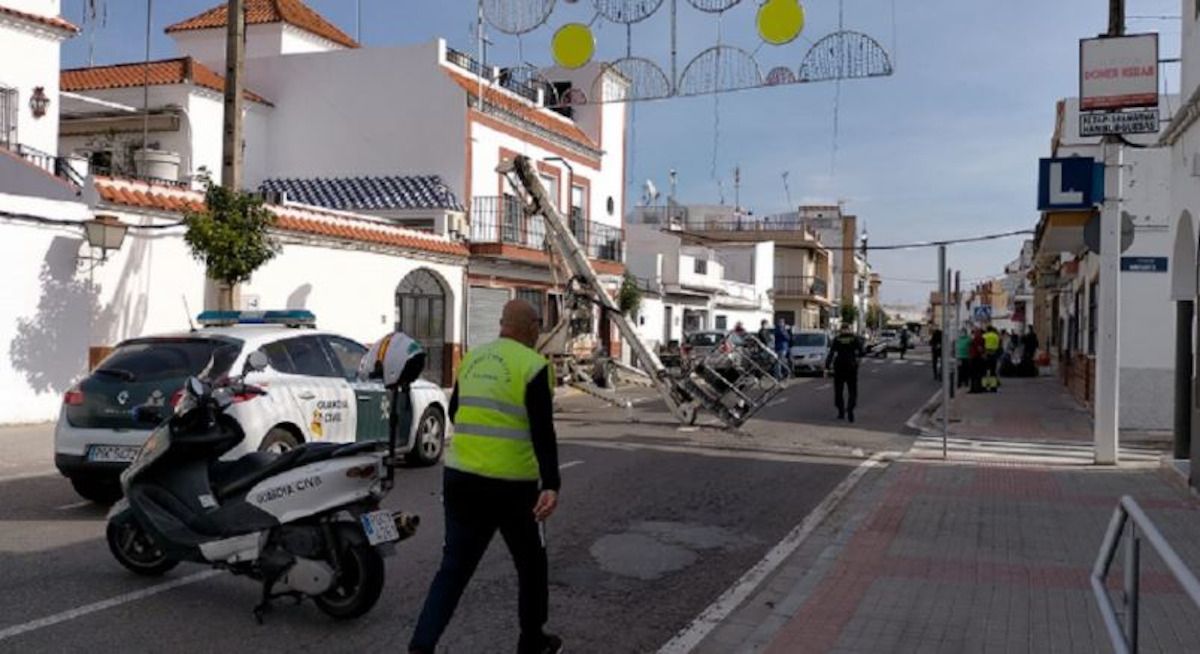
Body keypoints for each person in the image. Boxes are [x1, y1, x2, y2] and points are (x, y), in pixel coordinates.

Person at [409, 300, 564, 654]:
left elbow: (455, 410)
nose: (538, 331)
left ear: (501, 324)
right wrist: (552, 484)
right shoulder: (534, 366)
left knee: (453, 570)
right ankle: (532, 642)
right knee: (531, 566)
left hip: (461, 479)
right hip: (514, 489)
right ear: (530, 327)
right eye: (538, 325)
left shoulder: (473, 359)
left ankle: (421, 646)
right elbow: (543, 432)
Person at [826, 323, 864, 422]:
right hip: (851, 367)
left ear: (841, 330)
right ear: (849, 329)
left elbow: (831, 353)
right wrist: (858, 362)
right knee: (852, 391)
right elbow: (862, 352)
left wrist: (827, 366)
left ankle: (841, 412)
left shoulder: (837, 339)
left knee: (838, 391)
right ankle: (850, 408)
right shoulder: (854, 339)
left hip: (839, 367)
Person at [983, 325, 1001, 392]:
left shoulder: (984, 336)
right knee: (993, 371)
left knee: (984, 371)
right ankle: (993, 387)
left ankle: (984, 386)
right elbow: (998, 345)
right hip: (994, 354)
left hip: (986, 354)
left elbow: (982, 344)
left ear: (987, 330)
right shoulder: (996, 336)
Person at [968, 327, 986, 393]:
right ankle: (975, 388)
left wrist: (981, 353)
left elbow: (980, 349)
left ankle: (976, 389)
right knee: (976, 375)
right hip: (975, 358)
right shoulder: (977, 339)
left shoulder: (979, 339)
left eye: (976, 332)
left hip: (976, 358)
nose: (974, 333)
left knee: (976, 375)